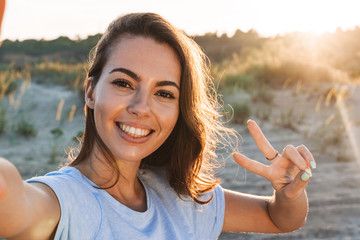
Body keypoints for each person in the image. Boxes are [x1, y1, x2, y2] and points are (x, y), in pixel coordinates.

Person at [0, 12, 316, 239]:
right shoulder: (62, 202)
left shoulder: (180, 197)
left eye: (164, 93)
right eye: (124, 83)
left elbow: (279, 219)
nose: (141, 108)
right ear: (91, 91)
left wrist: (289, 194)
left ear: (180, 110)